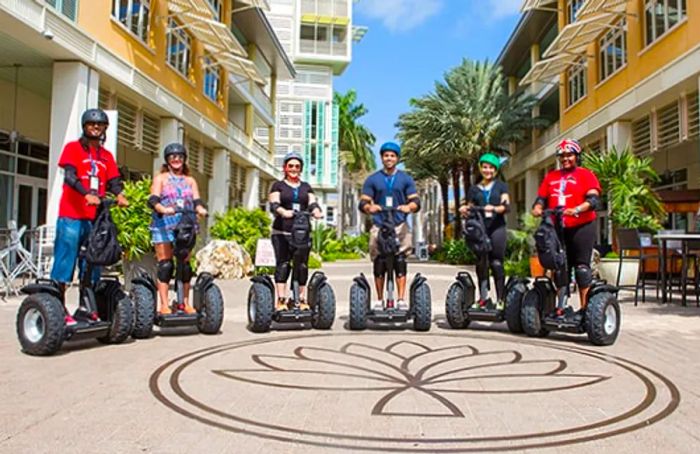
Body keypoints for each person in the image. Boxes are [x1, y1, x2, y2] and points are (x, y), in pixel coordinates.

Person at [50, 108, 129, 325]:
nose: (96, 128)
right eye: (92, 125)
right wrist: (87, 194)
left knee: (92, 263)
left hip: (95, 220)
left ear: (105, 128)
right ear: (85, 127)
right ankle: (58, 307)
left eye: (100, 125)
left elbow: (113, 181)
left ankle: (87, 306)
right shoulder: (73, 149)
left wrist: (120, 195)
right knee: (66, 260)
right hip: (72, 215)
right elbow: (70, 177)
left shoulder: (106, 156)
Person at [532, 138, 601, 315]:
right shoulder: (551, 177)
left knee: (581, 268)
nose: (565, 159)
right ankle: (561, 306)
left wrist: (577, 209)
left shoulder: (586, 175)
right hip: (558, 226)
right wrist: (538, 208)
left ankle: (586, 309)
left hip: (582, 225)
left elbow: (593, 200)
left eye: (569, 155)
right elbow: (541, 198)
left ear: (576, 156)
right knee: (560, 266)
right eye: (562, 156)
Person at [148, 143, 208, 315]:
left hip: (186, 224)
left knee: (185, 265)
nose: (176, 160)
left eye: (180, 157)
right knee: (166, 265)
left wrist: (201, 209)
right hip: (164, 225)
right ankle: (164, 304)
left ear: (184, 160)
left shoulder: (190, 180)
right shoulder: (161, 178)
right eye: (173, 157)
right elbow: (153, 199)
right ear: (167, 160)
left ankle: (185, 302)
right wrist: (162, 209)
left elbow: (197, 201)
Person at [359, 141, 420, 310]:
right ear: (381, 157)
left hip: (399, 224)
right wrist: (369, 207)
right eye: (386, 155)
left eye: (392, 156)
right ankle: (379, 300)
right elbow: (363, 202)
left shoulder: (405, 179)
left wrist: (409, 207)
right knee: (379, 260)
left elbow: (415, 200)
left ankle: (400, 299)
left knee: (400, 259)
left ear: (397, 158)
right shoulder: (373, 179)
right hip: (379, 223)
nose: (389, 158)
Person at [268, 151, 323, 311]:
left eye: (297, 166)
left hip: (302, 232)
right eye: (290, 166)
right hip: (282, 232)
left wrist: (317, 211)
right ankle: (281, 300)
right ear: (285, 168)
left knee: (302, 266)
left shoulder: (306, 187)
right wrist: (283, 212)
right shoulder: (278, 185)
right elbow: (274, 203)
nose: (294, 169)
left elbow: (312, 203)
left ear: (301, 169)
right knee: (283, 264)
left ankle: (300, 298)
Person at [460, 152, 510, 310]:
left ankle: (501, 298)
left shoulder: (501, 186)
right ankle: (483, 298)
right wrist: (464, 209)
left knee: (496, 262)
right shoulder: (474, 189)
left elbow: (506, 205)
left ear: (495, 170)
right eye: (485, 167)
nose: (488, 170)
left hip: (497, 227)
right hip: (480, 228)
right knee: (481, 262)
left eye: (491, 168)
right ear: (480, 169)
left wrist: (496, 208)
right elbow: (468, 206)